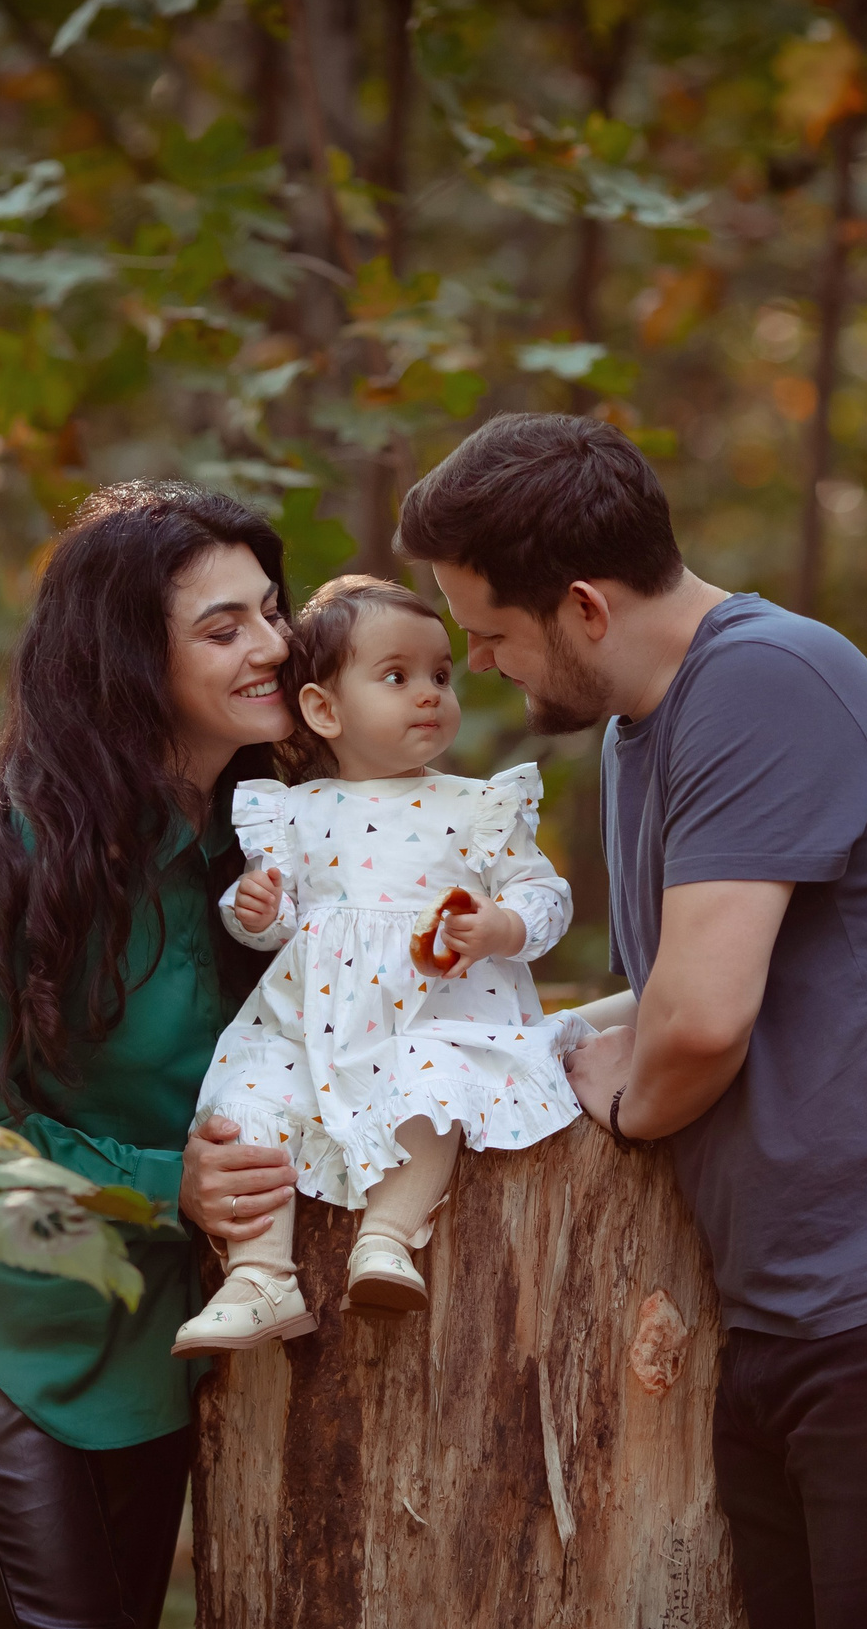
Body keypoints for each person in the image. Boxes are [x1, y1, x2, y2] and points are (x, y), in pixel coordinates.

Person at [400, 413, 867, 1629]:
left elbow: (698, 1023)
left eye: (491, 634)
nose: (482, 664)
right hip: (798, 1312)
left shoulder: (767, 680)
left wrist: (623, 1100)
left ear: (581, 606)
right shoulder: (638, 733)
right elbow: (668, 999)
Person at [0, 481, 304, 1629]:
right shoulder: (19, 859)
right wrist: (171, 1185)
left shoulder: (249, 851)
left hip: (146, 1347)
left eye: (268, 613)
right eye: (222, 629)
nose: (270, 645)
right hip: (1, 1355)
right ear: (126, 662)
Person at [170, 573, 592, 1353]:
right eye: (397, 677)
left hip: (437, 1016)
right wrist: (255, 911)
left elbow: (545, 897)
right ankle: (260, 1275)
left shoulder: (477, 806)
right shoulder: (293, 810)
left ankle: (388, 1238)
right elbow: (276, 918)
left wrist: (499, 925)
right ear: (324, 710)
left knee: (433, 1087)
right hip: (313, 1023)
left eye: (440, 674)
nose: (430, 693)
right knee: (248, 1098)